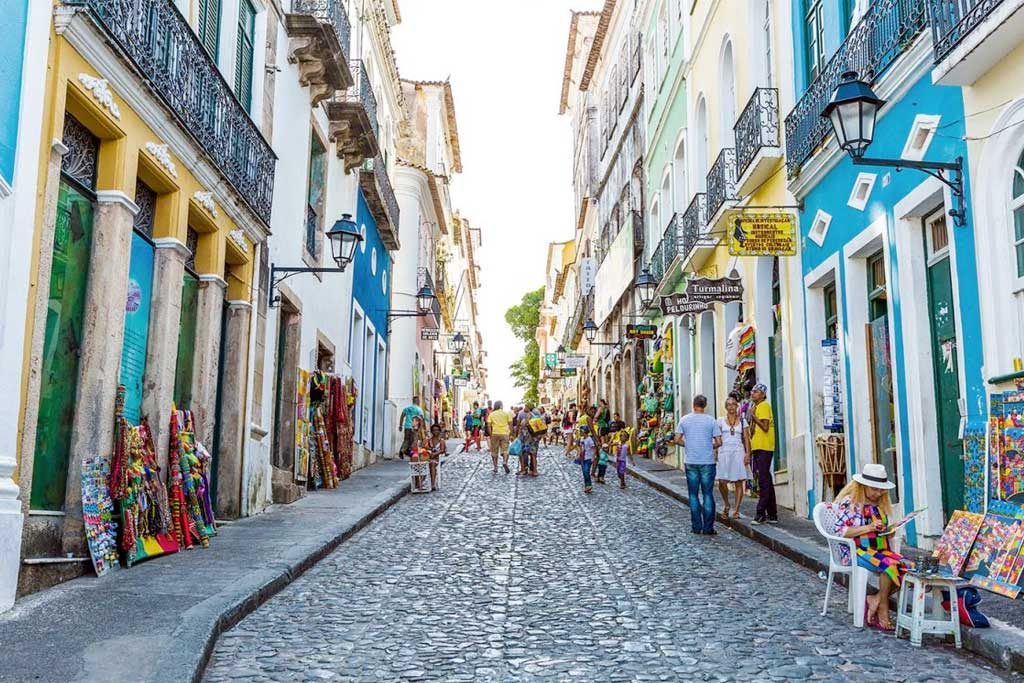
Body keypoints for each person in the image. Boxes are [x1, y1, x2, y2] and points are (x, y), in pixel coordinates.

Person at [833, 464, 907, 631]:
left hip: (880, 550)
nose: (878, 493)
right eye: (874, 489)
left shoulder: (880, 504)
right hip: (855, 551)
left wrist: (889, 533)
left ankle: (876, 599)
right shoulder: (850, 503)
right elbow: (840, 532)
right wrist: (869, 528)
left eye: (881, 490)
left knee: (907, 568)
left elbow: (880, 531)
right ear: (863, 486)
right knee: (890, 565)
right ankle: (883, 608)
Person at [673, 395, 722, 535]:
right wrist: (709, 446)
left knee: (693, 495)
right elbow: (719, 442)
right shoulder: (711, 420)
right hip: (707, 461)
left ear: (693, 405)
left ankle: (696, 526)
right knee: (707, 494)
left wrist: (688, 444)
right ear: (705, 405)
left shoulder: (684, 419)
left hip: (691, 461)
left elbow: (677, 439)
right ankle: (708, 528)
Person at [715, 395, 751, 519]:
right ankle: (726, 504)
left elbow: (746, 439)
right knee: (722, 481)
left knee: (739, 481)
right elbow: (716, 437)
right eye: (729, 404)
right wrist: (715, 454)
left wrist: (747, 454)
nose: (731, 406)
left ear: (737, 406)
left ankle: (736, 509)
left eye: (734, 404)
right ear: (725, 407)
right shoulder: (719, 421)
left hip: (738, 452)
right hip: (724, 452)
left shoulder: (742, 421)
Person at [748, 383, 778, 524]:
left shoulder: (764, 406)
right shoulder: (757, 407)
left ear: (763, 394)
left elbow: (765, 427)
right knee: (767, 479)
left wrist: (753, 417)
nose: (752, 393)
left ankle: (760, 514)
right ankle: (772, 514)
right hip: (758, 446)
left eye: (756, 391)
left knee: (763, 480)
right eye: (753, 391)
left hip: (764, 447)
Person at [487, 400, 513, 474]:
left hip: (495, 433)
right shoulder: (506, 413)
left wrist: (490, 434)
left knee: (494, 451)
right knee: (505, 449)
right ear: (501, 406)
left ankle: (495, 467)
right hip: (505, 433)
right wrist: (511, 433)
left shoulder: (491, 414)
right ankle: (505, 462)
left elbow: (488, 425)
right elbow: (510, 424)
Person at [517, 403, 543, 476]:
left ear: (528, 408)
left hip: (527, 438)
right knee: (533, 455)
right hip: (535, 438)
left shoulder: (529, 415)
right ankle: (534, 470)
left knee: (522, 453)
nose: (524, 408)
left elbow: (523, 425)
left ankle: (523, 470)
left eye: (525, 406)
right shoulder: (537, 416)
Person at [426, 423, 447, 491]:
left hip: (436, 458)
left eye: (437, 430)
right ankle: (418, 484)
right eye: (434, 430)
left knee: (432, 464)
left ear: (439, 431)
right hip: (427, 458)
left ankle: (433, 484)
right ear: (431, 431)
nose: (435, 431)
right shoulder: (429, 440)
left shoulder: (441, 441)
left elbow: (442, 450)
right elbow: (425, 447)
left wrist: (435, 454)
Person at [579, 425, 596, 493]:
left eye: (581, 431)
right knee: (584, 472)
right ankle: (587, 486)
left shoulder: (589, 439)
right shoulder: (581, 439)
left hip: (588, 458)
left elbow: (594, 448)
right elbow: (580, 447)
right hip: (583, 458)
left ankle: (589, 485)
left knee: (586, 471)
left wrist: (593, 457)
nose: (580, 432)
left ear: (584, 432)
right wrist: (579, 454)